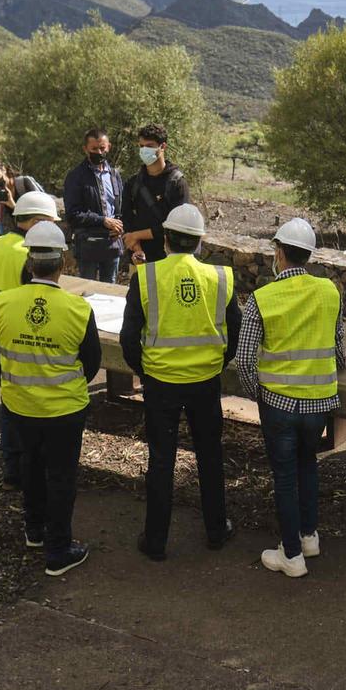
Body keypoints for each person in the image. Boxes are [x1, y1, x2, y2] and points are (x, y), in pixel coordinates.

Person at [122, 203, 241, 560]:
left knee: (161, 460)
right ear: (200, 243)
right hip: (205, 382)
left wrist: (147, 372)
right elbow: (233, 333)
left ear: (168, 239)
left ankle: (156, 541)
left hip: (161, 383)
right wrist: (215, 364)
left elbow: (129, 341)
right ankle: (216, 530)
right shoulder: (221, 278)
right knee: (210, 455)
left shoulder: (146, 277)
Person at [0, 221, 102, 577]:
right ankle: (58, 549)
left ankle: (34, 530)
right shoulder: (78, 310)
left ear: (29, 263)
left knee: (31, 465)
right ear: (63, 263)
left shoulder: (2, 304)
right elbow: (92, 362)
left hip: (20, 405)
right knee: (61, 475)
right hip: (64, 409)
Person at [241, 219, 346, 578]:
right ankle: (309, 537)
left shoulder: (262, 299)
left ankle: (291, 556)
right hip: (317, 405)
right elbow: (338, 349)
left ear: (280, 253)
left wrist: (258, 393)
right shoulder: (329, 291)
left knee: (284, 477)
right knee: (308, 465)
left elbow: (244, 359)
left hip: (278, 405)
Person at [0, 189, 60, 487]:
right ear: (37, 221)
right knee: (27, 405)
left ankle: (11, 469)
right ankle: (28, 469)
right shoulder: (27, 254)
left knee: (8, 401)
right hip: (22, 340)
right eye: (49, 222)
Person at [119, 124, 189, 266]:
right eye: (141, 146)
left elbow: (177, 225)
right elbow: (126, 218)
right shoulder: (133, 183)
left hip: (169, 259)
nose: (144, 150)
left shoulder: (177, 183)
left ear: (163, 147)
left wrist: (137, 235)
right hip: (139, 258)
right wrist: (137, 247)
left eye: (149, 146)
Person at [63, 128, 124, 283]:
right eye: (94, 149)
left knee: (110, 292)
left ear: (108, 147)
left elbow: (120, 208)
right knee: (87, 291)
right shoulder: (76, 177)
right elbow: (73, 214)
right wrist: (102, 220)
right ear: (85, 149)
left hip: (112, 245)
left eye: (102, 148)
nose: (99, 152)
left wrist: (119, 227)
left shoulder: (114, 175)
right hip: (88, 245)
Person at [0, 158, 45, 239]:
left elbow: (43, 213)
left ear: (3, 169)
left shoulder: (24, 184)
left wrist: (13, 206)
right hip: (16, 240)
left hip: (37, 237)